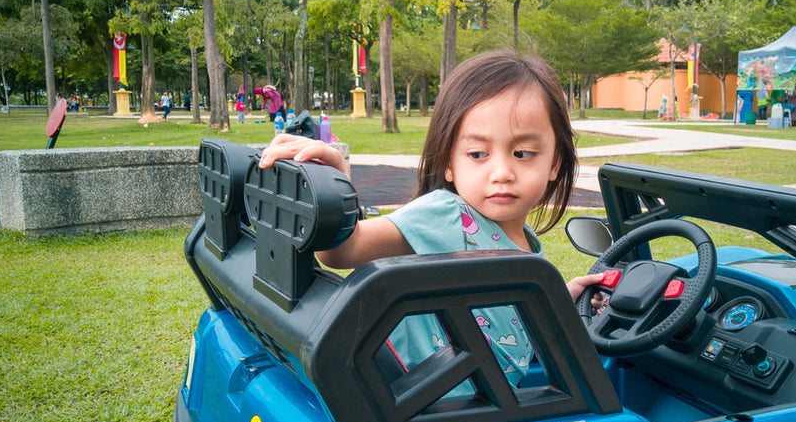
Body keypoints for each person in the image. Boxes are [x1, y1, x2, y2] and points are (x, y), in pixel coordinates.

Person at [259, 51, 604, 390]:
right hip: (432, 413)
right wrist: (337, 182)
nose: (502, 173)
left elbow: (504, 326)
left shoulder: (525, 244)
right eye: (478, 154)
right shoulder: (447, 215)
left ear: (555, 162)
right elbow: (342, 251)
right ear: (449, 163)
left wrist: (557, 297)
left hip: (480, 413)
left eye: (523, 153)